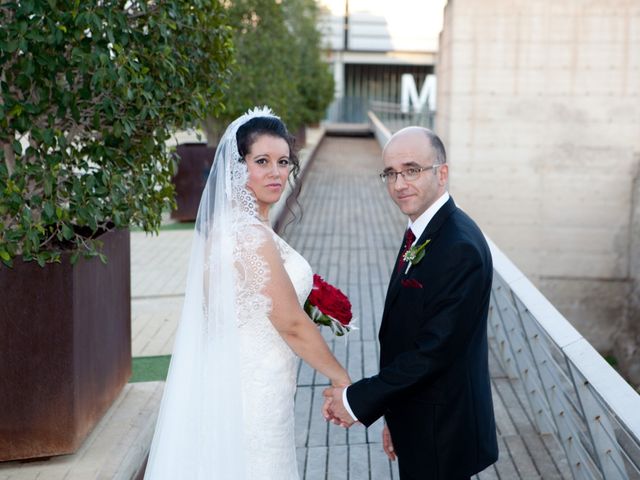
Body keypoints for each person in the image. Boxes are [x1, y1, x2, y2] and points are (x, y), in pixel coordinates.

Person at [144, 107, 350, 480]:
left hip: (237, 382)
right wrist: (342, 379)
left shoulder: (226, 230)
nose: (276, 172)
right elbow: (290, 323)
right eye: (262, 161)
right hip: (254, 395)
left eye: (284, 161)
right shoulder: (250, 237)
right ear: (239, 168)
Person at [322, 126, 499, 479]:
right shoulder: (423, 230)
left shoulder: (458, 246)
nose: (399, 183)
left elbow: (433, 351)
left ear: (442, 173)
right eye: (391, 173)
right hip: (419, 416)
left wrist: (357, 401)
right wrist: (395, 415)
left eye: (412, 170)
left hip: (442, 429)